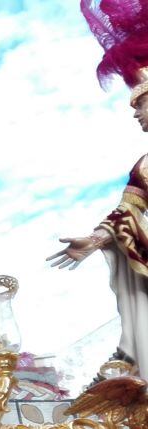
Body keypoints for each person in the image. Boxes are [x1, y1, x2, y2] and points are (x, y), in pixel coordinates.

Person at [50, 0, 148, 379]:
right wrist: (94, 240)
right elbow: (127, 213)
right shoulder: (144, 167)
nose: (134, 112)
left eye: (139, 104)